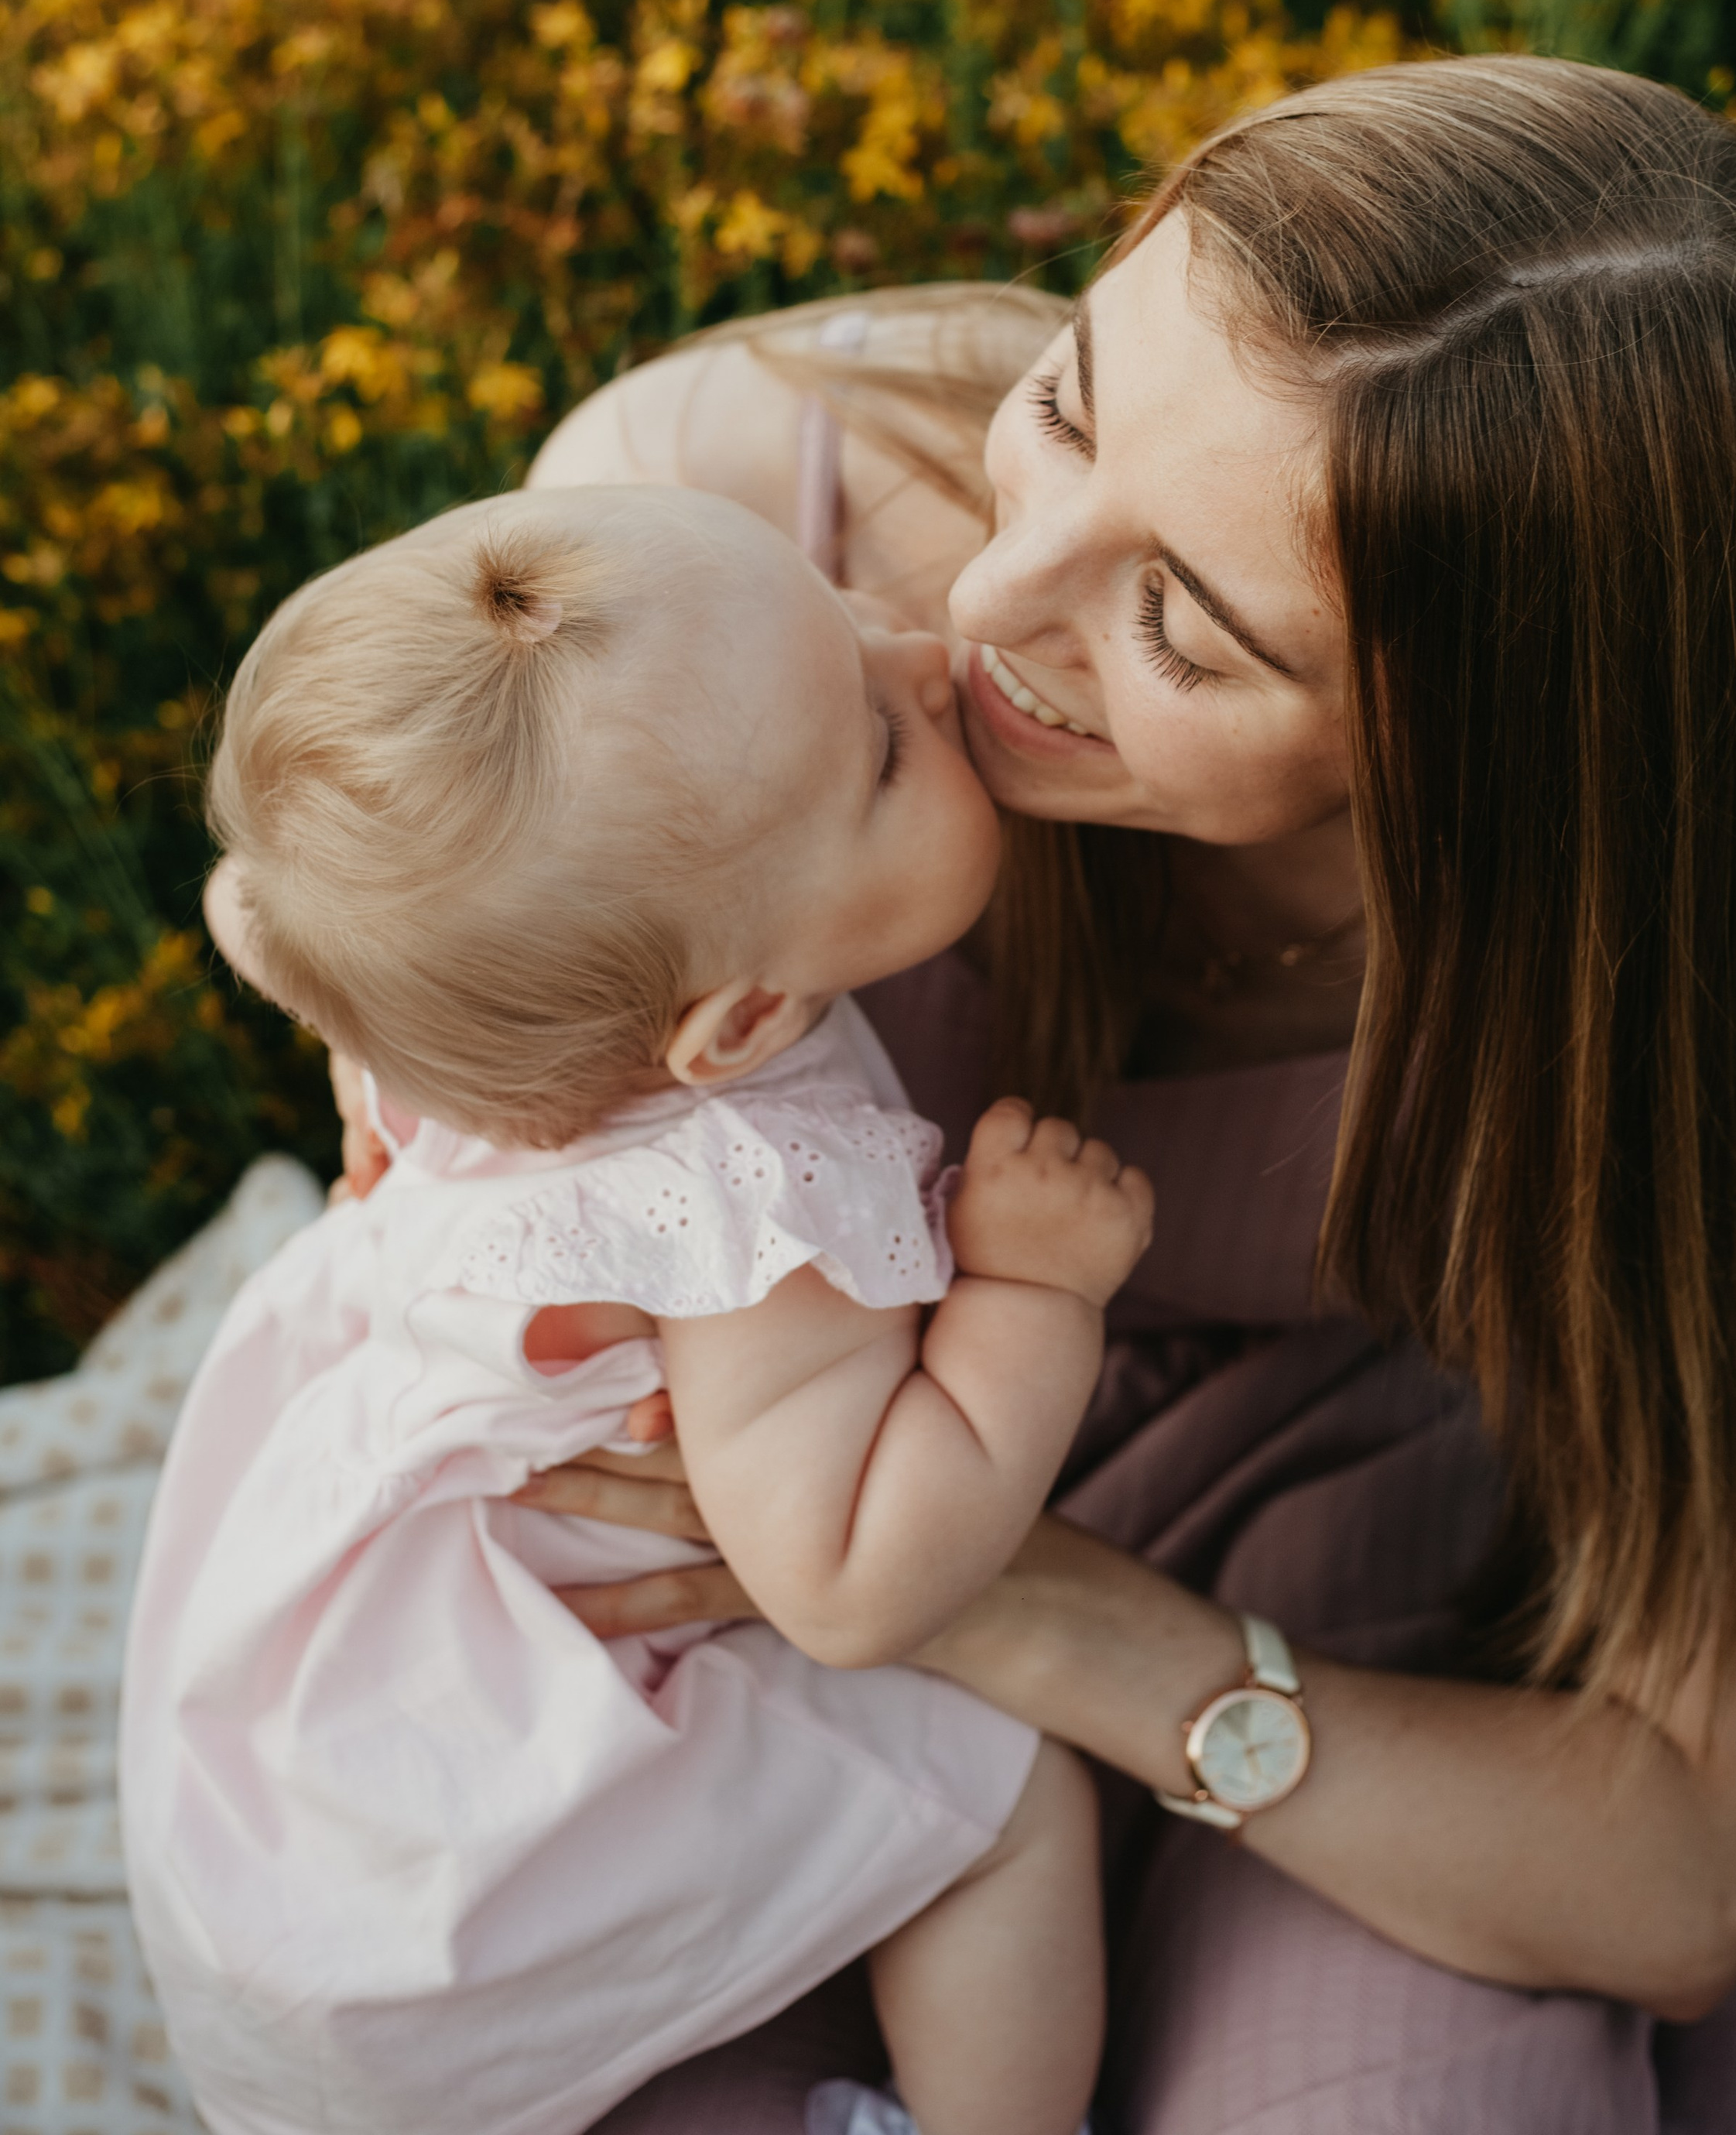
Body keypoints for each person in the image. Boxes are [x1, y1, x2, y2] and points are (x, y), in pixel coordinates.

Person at [494, 57, 1736, 2133]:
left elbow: (1677, 1873)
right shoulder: (736, 507)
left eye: (1180, 631)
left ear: (1492, 761)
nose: (985, 610)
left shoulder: (1667, 1026)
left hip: (1310, 1632)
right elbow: (378, 923)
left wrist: (1008, 1595)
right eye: (1071, 409)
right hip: (741, 1603)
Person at [121, 484, 1156, 2135]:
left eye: (839, 612)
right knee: (1010, 1786)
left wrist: (364, 1064)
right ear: (737, 1028)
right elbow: (850, 1584)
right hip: (453, 1862)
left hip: (271, 1815)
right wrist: (1034, 1290)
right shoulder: (753, 1215)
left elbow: (252, 905)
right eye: (883, 751)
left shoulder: (444, 977)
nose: (914, 646)